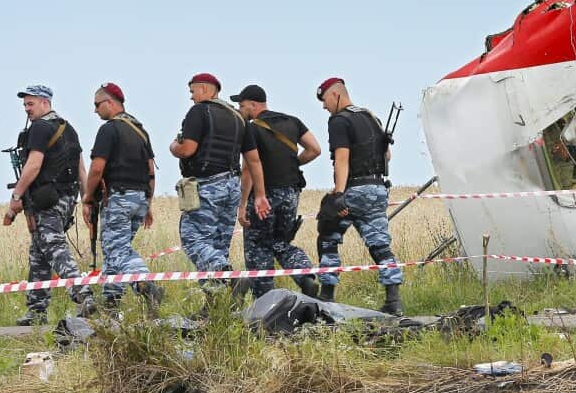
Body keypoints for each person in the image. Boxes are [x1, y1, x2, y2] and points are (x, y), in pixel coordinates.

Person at [169, 73, 271, 299]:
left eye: (193, 91)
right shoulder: (238, 118)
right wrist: (260, 195)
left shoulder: (199, 111)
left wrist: (174, 146)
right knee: (218, 245)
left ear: (206, 89)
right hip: (232, 186)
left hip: (207, 186)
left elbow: (187, 149)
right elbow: (254, 160)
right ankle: (215, 303)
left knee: (193, 239)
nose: (191, 97)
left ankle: (228, 274)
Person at [3, 84, 96, 325]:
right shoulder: (68, 128)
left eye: (30, 104)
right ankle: (36, 310)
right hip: (67, 199)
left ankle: (83, 295)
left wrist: (16, 197)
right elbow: (81, 169)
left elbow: (33, 164)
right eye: (25, 105)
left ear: (45, 103)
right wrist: (86, 200)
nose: (27, 109)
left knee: (54, 247)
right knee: (39, 253)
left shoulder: (40, 128)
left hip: (47, 201)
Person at [314, 77, 403, 315]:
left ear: (335, 95)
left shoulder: (339, 121)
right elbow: (387, 156)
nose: (324, 106)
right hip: (378, 189)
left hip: (354, 189)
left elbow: (342, 158)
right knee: (380, 245)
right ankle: (394, 301)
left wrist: (338, 194)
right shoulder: (371, 117)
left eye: (324, 100)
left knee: (328, 236)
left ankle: (326, 296)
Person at [233, 84, 324, 298]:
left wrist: (242, 204)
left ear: (253, 105)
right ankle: (305, 277)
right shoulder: (292, 121)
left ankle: (265, 301)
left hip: (264, 197)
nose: (240, 110)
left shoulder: (251, 129)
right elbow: (314, 149)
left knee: (258, 247)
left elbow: (248, 169)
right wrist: (293, 163)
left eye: (242, 106)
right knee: (281, 243)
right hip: (291, 193)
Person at [82, 82, 163, 312]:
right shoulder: (139, 130)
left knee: (117, 250)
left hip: (118, 198)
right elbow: (151, 171)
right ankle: (111, 302)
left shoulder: (109, 129)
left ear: (110, 103)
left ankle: (145, 285)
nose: (95, 110)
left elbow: (97, 168)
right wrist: (148, 204)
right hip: (140, 198)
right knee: (114, 248)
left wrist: (87, 197)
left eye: (97, 104)